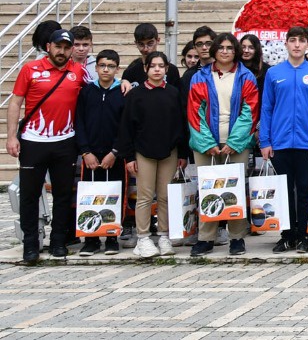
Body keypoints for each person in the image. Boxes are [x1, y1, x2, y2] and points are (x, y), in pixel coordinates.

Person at [7, 28, 88, 263]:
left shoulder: (78, 71)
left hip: (65, 142)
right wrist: (12, 136)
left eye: (66, 47)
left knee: (63, 195)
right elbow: (15, 102)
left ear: (71, 49)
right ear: (49, 47)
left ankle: (58, 242)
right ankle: (31, 245)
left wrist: (122, 83)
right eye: (58, 47)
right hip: (33, 142)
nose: (62, 52)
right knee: (30, 196)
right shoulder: (30, 69)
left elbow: (97, 91)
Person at [187, 32, 259, 257]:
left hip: (235, 143)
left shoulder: (246, 76)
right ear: (214, 50)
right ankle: (206, 238)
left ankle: (237, 238)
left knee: (234, 191)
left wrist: (234, 143)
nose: (225, 51)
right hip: (206, 143)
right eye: (221, 47)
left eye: (229, 47)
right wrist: (207, 143)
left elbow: (250, 111)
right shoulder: (200, 77)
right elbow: (194, 112)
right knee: (208, 189)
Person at [259, 26, 308, 253]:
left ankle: (304, 235)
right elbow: (267, 108)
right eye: (293, 40)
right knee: (284, 190)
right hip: (280, 142)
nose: (297, 45)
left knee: (306, 189)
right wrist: (265, 141)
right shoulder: (274, 74)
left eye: (301, 41)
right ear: (286, 44)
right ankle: (287, 235)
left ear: (307, 45)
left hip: (307, 142)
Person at [119, 51, 189, 258]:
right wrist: (129, 156)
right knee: (145, 196)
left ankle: (164, 235)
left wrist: (182, 153)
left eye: (161, 66)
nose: (157, 69)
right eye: (153, 66)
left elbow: (181, 125)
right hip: (143, 152)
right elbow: (126, 128)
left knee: (165, 196)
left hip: (169, 152)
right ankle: (143, 238)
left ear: (167, 69)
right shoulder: (135, 95)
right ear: (146, 69)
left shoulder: (174, 93)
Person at [75, 49, 126, 255]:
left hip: (114, 155)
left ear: (117, 69)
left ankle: (112, 236)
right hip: (91, 156)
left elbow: (125, 127)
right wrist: (85, 151)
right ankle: (91, 238)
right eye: (103, 65)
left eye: (111, 66)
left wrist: (115, 152)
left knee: (113, 194)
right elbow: (79, 122)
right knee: (90, 195)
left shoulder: (122, 93)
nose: (106, 69)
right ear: (96, 68)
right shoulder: (87, 92)